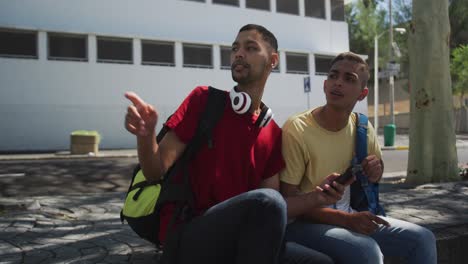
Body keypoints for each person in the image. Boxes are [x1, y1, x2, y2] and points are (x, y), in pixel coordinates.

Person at [124, 24, 342, 264]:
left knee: (320, 262)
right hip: (188, 236)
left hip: (241, 241)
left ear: (273, 60)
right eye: (235, 48)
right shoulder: (203, 101)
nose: (239, 53)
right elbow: (155, 170)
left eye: (250, 48)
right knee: (268, 200)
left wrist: (318, 197)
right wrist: (145, 137)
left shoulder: (272, 133)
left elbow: (277, 211)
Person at [280, 51, 437, 264]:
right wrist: (346, 220)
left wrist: (376, 170)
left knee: (423, 238)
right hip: (303, 224)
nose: (338, 83)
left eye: (348, 79)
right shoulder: (297, 129)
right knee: (366, 251)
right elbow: (287, 202)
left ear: (362, 94)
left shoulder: (362, 126)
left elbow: (376, 170)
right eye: (334, 76)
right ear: (325, 85)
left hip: (351, 216)